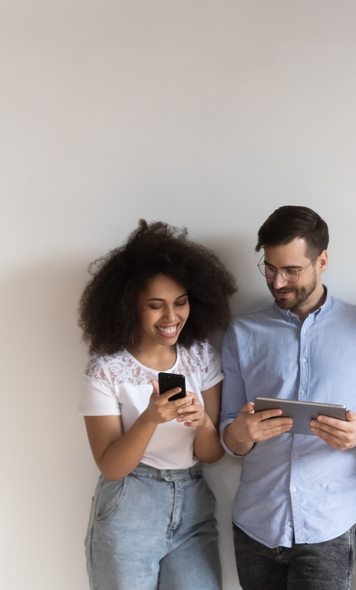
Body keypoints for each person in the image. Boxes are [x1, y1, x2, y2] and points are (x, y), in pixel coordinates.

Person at [219, 205, 356, 590]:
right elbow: (229, 434)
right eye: (269, 268)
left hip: (330, 523)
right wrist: (241, 432)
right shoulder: (241, 334)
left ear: (322, 261)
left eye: (291, 270)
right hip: (256, 523)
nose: (278, 281)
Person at [78, 220, 237, 590]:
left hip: (194, 504)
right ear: (128, 306)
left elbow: (212, 455)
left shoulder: (201, 357)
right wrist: (149, 418)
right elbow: (112, 466)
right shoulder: (105, 370)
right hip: (128, 506)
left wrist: (203, 423)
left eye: (180, 303)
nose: (171, 318)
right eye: (156, 306)